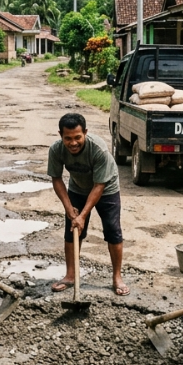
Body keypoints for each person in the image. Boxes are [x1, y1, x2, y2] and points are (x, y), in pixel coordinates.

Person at [48, 113, 129, 296]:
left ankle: (117, 277)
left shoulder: (98, 149)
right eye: (68, 138)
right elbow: (56, 179)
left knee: (112, 230)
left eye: (77, 137)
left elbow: (99, 186)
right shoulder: (56, 150)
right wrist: (69, 209)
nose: (73, 143)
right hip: (77, 187)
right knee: (72, 230)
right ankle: (70, 275)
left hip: (106, 188)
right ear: (61, 135)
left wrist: (83, 215)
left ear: (85, 132)